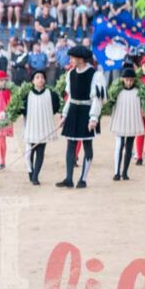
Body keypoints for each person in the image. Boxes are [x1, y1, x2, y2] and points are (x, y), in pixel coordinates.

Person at [56, 45, 105, 189]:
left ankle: (83, 179)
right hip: (73, 110)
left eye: (72, 58)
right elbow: (70, 97)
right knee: (70, 144)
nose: (70, 60)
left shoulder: (95, 75)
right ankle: (68, 179)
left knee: (87, 144)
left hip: (86, 112)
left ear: (81, 59)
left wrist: (93, 118)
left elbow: (97, 99)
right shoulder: (71, 73)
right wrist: (65, 114)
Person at [13, 70, 61, 185]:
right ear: (33, 81)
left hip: (43, 128)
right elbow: (20, 109)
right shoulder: (26, 95)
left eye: (42, 77)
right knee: (28, 154)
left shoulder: (51, 94)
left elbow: (56, 107)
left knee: (40, 153)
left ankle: (35, 177)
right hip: (31, 127)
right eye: (37, 77)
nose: (40, 79)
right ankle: (31, 172)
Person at [104, 67, 145, 182]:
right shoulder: (117, 91)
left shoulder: (138, 91)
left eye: (131, 80)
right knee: (119, 145)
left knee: (129, 147)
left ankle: (125, 172)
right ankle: (116, 172)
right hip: (120, 120)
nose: (129, 82)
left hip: (132, 120)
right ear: (122, 79)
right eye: (127, 80)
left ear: (134, 80)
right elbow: (109, 103)